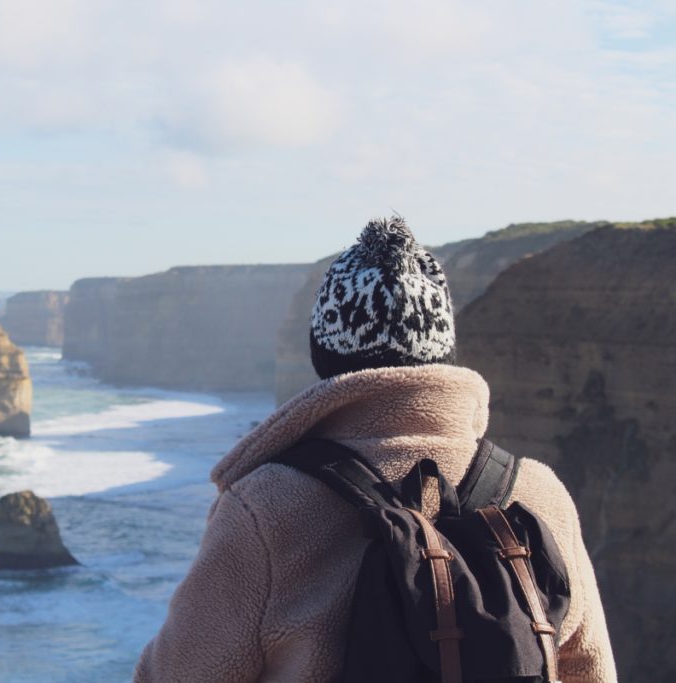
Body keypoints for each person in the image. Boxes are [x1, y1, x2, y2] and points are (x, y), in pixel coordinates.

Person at [134, 216, 617, 682]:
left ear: (324, 354)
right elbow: (589, 669)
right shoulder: (537, 492)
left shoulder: (266, 506)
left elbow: (178, 674)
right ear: (444, 350)